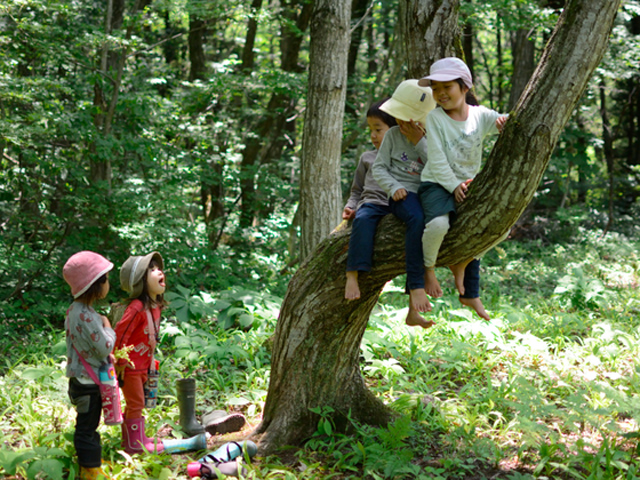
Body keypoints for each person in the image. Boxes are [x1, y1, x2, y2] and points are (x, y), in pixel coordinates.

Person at [417, 57, 508, 320]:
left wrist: (504, 122)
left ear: (464, 87)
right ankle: (429, 268)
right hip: (437, 183)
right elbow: (435, 158)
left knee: (502, 227)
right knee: (438, 226)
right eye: (435, 88)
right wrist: (452, 184)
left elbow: (506, 119)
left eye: (448, 87)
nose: (441, 94)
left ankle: (465, 263)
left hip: (467, 186)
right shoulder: (434, 118)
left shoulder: (479, 115)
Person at [344, 99, 433, 328]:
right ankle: (352, 276)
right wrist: (351, 206)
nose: (373, 135)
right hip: (373, 203)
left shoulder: (402, 153)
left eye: (378, 129)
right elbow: (356, 190)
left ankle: (413, 309)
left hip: (398, 204)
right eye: (370, 130)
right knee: (362, 222)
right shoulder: (367, 158)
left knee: (418, 233)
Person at [114, 252, 206, 454]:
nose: (159, 272)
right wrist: (120, 360)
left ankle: (131, 439)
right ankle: (134, 443)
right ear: (140, 281)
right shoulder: (137, 307)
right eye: (152, 270)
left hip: (143, 364)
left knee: (136, 402)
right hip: (130, 366)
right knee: (136, 401)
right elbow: (121, 333)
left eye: (159, 268)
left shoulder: (155, 306)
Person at [371, 79, 437, 318]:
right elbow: (379, 168)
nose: (400, 122)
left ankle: (429, 274)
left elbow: (439, 166)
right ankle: (415, 287)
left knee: (437, 223)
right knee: (416, 220)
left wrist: (419, 142)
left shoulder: (434, 136)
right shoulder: (392, 136)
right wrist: (393, 187)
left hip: (428, 192)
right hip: (402, 194)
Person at [63, 251, 115, 480]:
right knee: (86, 427)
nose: (108, 283)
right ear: (96, 284)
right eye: (106, 278)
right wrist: (109, 327)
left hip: (78, 379)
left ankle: (92, 462)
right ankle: (90, 469)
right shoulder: (87, 316)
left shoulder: (74, 311)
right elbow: (104, 347)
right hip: (89, 382)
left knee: (88, 423)